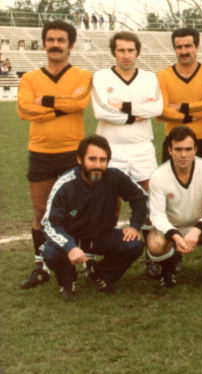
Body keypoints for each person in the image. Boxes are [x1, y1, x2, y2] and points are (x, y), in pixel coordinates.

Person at [17, 20, 92, 289]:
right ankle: (40, 266)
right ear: (44, 43)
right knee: (40, 210)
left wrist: (45, 102)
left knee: (74, 211)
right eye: (50, 40)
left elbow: (80, 103)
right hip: (40, 152)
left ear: (71, 45)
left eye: (61, 40)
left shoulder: (82, 75)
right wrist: (62, 106)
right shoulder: (30, 78)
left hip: (73, 152)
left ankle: (79, 261)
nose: (55, 45)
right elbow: (24, 110)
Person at [42, 135, 148, 300]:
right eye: (92, 159)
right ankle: (67, 280)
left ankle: (100, 273)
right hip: (72, 237)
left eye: (102, 160)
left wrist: (135, 225)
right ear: (80, 159)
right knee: (50, 252)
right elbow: (49, 223)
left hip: (101, 236)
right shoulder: (65, 184)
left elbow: (140, 198)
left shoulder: (114, 176)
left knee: (134, 244)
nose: (98, 165)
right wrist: (70, 246)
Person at [146, 126, 202, 292]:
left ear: (195, 150)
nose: (183, 155)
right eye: (178, 149)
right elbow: (157, 215)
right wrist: (174, 235)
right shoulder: (158, 175)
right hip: (174, 229)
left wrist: (198, 229)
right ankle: (168, 271)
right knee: (155, 244)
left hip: (201, 229)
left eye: (188, 149)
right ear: (170, 150)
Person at [92, 32, 163, 192]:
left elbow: (157, 108)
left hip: (142, 147)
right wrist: (134, 116)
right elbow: (101, 111)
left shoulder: (149, 78)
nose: (126, 55)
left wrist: (123, 106)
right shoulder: (101, 76)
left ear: (137, 52)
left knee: (149, 197)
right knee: (109, 199)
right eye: (121, 50)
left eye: (130, 50)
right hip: (110, 147)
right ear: (113, 52)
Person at [157, 27, 202, 168]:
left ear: (197, 47)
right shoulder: (162, 76)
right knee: (170, 183)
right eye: (179, 47)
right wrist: (190, 117)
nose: (183, 51)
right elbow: (161, 112)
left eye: (188, 46)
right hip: (174, 142)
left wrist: (179, 107)